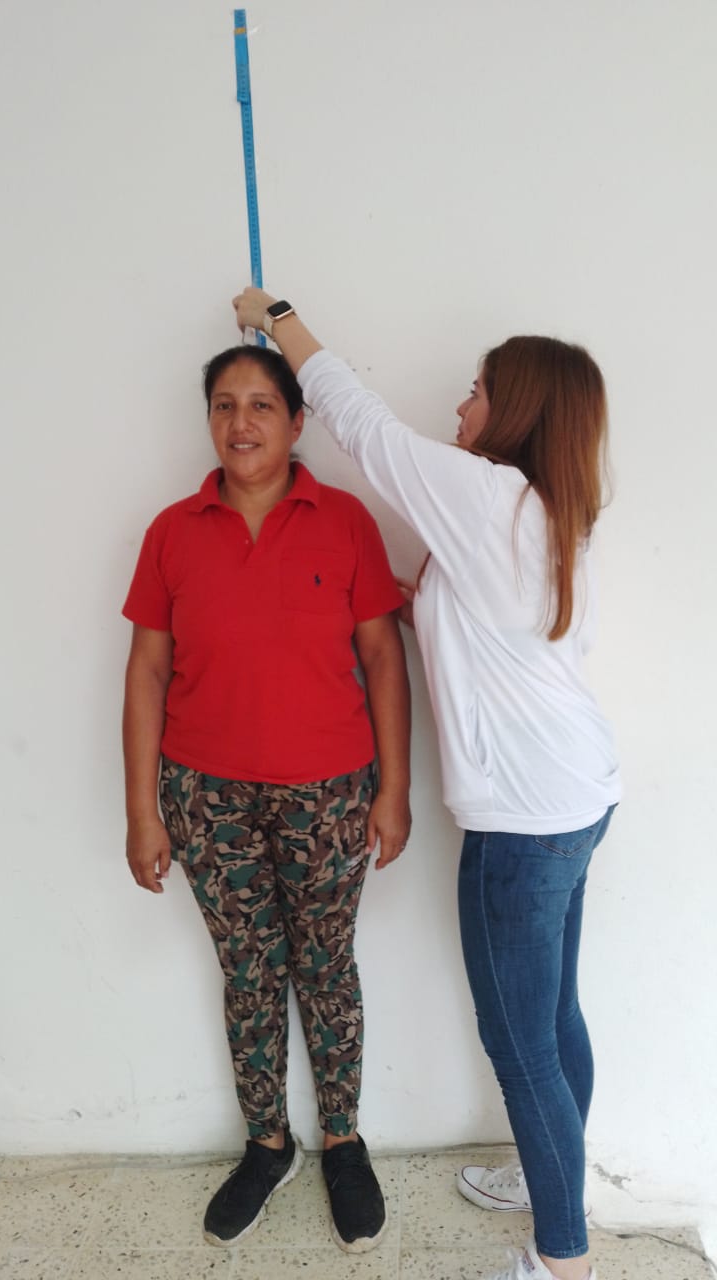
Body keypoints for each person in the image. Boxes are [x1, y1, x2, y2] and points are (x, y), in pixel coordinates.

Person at [231, 288, 622, 1280]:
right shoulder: (544, 510)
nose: (461, 404)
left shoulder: (485, 495)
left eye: (477, 390)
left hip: (525, 823)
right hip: (576, 798)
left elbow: (361, 423)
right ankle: (552, 1181)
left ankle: (562, 1260)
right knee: (554, 1019)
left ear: (519, 409)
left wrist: (278, 316)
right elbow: (499, 631)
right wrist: (416, 611)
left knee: (521, 1044)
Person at [121, 343, 411, 1253]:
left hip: (330, 794)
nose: (239, 422)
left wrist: (396, 789)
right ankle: (267, 1144)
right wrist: (142, 810)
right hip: (206, 797)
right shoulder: (173, 531)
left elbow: (383, 658)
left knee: (325, 968)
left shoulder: (346, 522)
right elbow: (147, 672)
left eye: (259, 405)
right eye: (223, 404)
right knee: (249, 974)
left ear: (295, 421)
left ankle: (344, 1143)